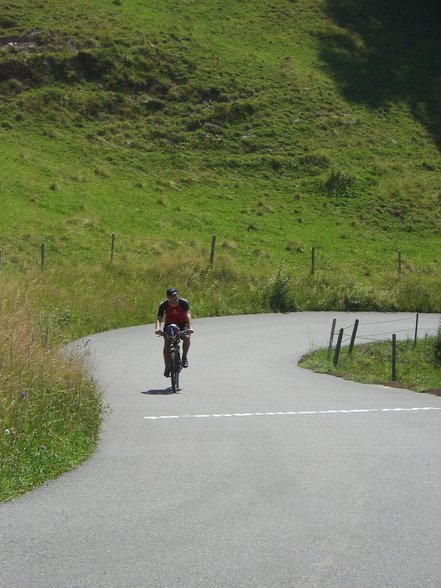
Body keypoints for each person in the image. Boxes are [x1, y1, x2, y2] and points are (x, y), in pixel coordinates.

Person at [155, 287, 193, 377]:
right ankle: (167, 367)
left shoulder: (183, 302)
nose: (175, 298)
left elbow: (188, 314)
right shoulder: (163, 305)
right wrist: (157, 328)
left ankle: (184, 357)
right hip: (169, 324)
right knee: (167, 343)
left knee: (187, 337)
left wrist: (190, 327)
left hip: (182, 324)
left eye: (176, 295)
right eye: (173, 296)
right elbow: (159, 318)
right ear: (168, 297)